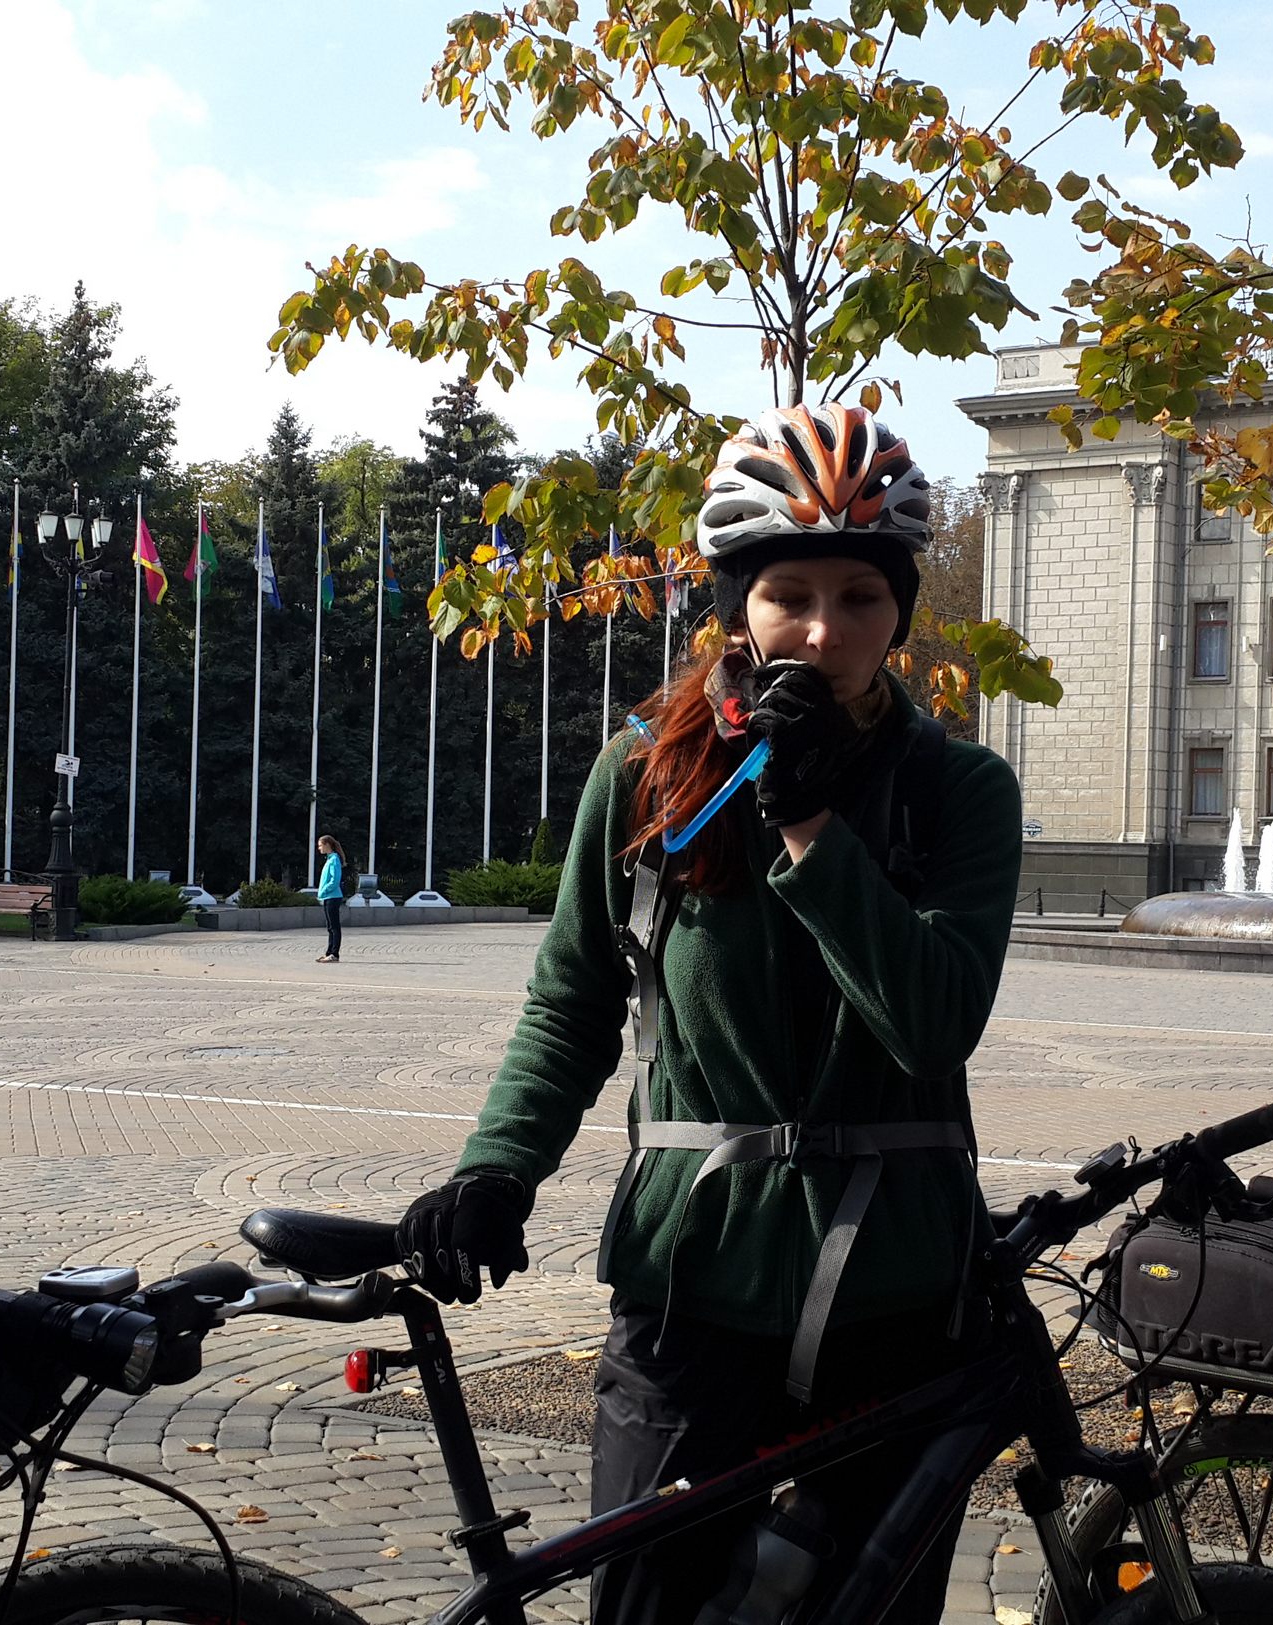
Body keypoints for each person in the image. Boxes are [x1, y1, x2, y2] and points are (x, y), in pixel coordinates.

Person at [397, 404, 1023, 1625]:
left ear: (900, 610)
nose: (824, 630)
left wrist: (811, 828)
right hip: (697, 1286)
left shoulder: (958, 790)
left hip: (897, 1297)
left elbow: (934, 1021)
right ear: (739, 605)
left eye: (861, 596)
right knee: (648, 1610)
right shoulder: (648, 770)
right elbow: (573, 997)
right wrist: (496, 1167)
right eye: (789, 594)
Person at [315, 833, 345, 962]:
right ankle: (329, 952)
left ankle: (334, 954)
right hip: (328, 897)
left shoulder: (334, 860)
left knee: (334, 927)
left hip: (333, 896)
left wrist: (324, 890)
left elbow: (335, 880)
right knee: (330, 927)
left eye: (320, 845)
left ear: (327, 845)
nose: (319, 848)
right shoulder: (329, 859)